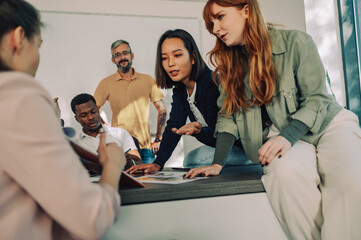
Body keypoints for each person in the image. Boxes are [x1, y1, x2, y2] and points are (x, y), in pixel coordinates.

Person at [185, 0, 361, 239]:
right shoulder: (229, 68)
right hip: (284, 138)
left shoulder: (297, 42)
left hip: (328, 125)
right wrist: (218, 163)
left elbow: (317, 98)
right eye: (211, 23)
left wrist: (287, 137)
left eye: (220, 17)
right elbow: (228, 117)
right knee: (283, 175)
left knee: (351, 179)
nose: (215, 28)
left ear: (246, 10)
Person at [0, 0, 126, 239]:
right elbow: (91, 218)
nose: (37, 59)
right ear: (18, 38)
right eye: (37, 46)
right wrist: (112, 165)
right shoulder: (17, 95)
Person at [127, 29, 250, 174]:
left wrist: (199, 132)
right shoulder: (180, 90)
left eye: (177, 55)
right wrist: (157, 163)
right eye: (164, 58)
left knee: (193, 160)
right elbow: (174, 125)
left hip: (244, 148)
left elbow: (222, 133)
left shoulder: (212, 83)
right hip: (226, 149)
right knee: (192, 159)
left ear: (192, 57)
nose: (170, 63)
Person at [94, 39, 167, 164]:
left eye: (125, 53)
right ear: (113, 60)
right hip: (121, 148)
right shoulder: (106, 83)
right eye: (117, 55)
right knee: (124, 183)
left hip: (145, 149)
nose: (122, 57)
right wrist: (108, 129)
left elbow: (162, 109)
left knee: (150, 183)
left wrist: (159, 139)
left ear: (131, 55)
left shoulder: (147, 80)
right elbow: (93, 109)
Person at [71, 93, 142, 169]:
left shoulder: (120, 133)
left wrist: (129, 161)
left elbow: (139, 161)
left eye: (93, 112)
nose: (90, 117)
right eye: (83, 115)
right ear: (77, 119)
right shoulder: (74, 144)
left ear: (98, 110)